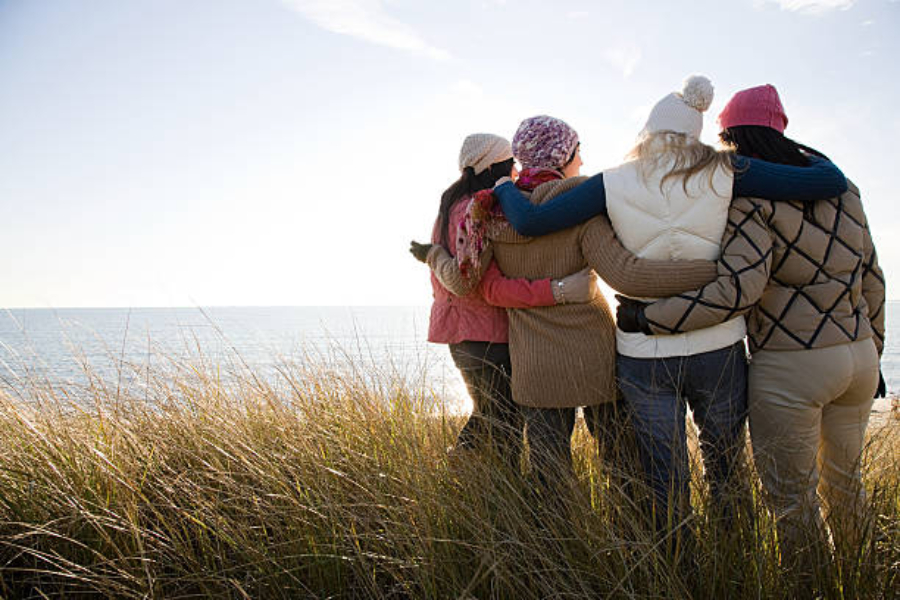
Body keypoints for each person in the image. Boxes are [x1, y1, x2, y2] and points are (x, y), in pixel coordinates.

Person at [491, 76, 851, 529]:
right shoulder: (726, 170)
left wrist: (505, 186)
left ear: (648, 129)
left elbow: (532, 220)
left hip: (645, 352)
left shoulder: (613, 181)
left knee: (664, 477)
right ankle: (732, 569)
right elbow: (829, 180)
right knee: (726, 471)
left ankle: (678, 572)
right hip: (718, 347)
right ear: (695, 133)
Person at [616, 84, 885, 570]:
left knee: (793, 502)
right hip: (860, 358)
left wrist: (648, 317)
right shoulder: (845, 189)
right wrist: (875, 353)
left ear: (730, 137)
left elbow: (737, 290)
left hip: (792, 364)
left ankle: (812, 588)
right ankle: (865, 579)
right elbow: (873, 278)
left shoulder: (749, 199)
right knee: (848, 489)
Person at [416, 116, 723, 493]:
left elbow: (487, 289)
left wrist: (433, 255)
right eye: (577, 152)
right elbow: (628, 275)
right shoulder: (581, 208)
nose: (581, 160)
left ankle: (558, 547)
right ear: (563, 156)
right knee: (621, 464)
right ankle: (629, 543)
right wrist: (710, 271)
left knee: (549, 475)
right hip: (594, 357)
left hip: (534, 364)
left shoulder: (491, 214)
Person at [417, 133, 597, 471]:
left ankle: (465, 482)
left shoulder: (446, 209)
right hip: (489, 333)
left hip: (459, 335)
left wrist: (434, 255)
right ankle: (483, 493)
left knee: (489, 416)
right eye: (509, 163)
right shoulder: (482, 208)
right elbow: (465, 279)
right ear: (496, 165)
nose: (514, 170)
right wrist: (558, 289)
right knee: (504, 428)